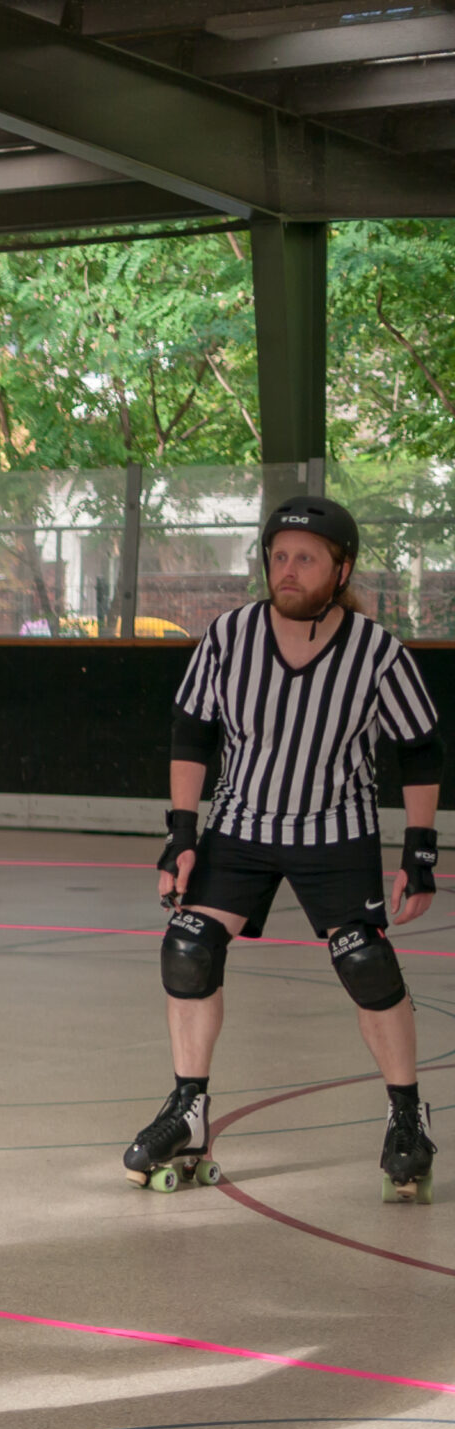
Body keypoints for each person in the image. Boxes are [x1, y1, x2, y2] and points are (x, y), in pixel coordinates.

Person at [128, 495, 441, 1202]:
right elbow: (192, 733)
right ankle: (189, 1109)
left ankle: (406, 1116)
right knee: (188, 946)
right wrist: (180, 837)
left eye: (306, 558)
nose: (288, 570)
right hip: (240, 827)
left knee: (364, 959)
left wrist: (420, 850)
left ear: (341, 568)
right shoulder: (229, 636)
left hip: (336, 831)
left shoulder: (376, 652)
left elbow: (420, 750)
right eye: (278, 556)